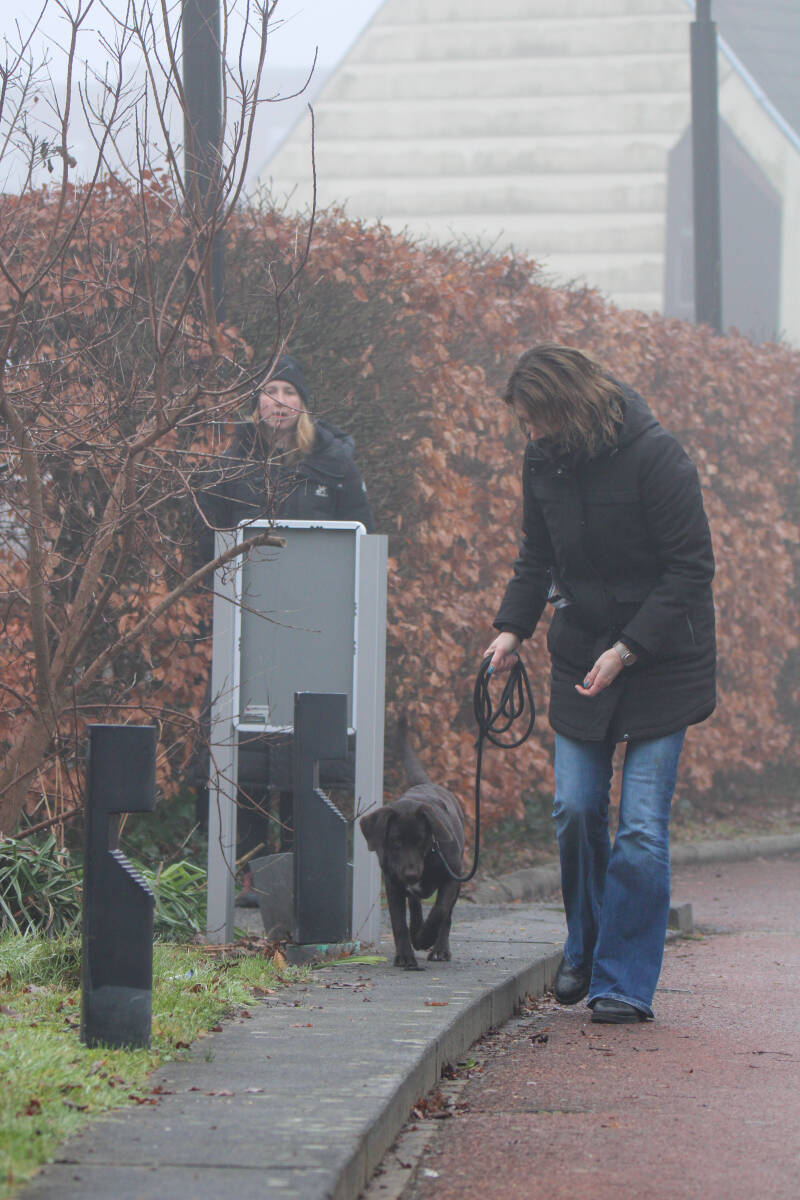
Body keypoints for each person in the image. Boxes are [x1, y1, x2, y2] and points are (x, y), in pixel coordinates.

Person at [485, 344, 716, 1024]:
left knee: (641, 829)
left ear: (568, 407)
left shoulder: (657, 456)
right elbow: (537, 554)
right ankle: (583, 944)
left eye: (536, 419)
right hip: (581, 652)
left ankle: (621, 980)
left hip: (661, 662)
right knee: (575, 809)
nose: (528, 433)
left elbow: (690, 569)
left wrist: (629, 647)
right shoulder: (543, 461)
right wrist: (512, 628)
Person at [193, 354, 374, 898]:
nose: (279, 401)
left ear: (304, 403)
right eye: (269, 392)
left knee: (305, 744)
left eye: (289, 392)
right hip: (246, 628)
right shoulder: (227, 469)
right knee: (242, 746)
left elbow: (362, 538)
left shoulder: (335, 465)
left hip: (317, 629)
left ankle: (302, 868)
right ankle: (247, 869)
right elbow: (207, 544)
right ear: (254, 405)